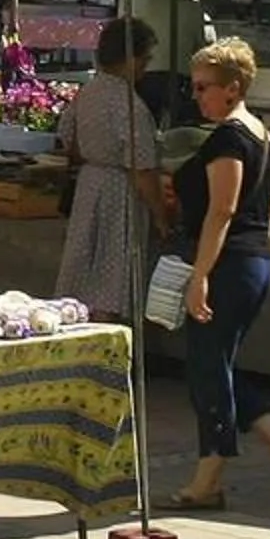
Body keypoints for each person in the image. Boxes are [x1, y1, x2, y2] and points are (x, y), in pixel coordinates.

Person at [161, 38, 270, 507]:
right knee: (216, 364)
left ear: (233, 88)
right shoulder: (262, 135)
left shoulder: (230, 138)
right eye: (194, 86)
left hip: (230, 263)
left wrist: (201, 275)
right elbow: (268, 209)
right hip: (254, 260)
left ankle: (209, 479)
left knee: (207, 369)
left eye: (204, 87)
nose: (197, 96)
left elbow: (222, 211)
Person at [56, 18, 165, 322]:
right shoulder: (129, 105)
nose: (146, 67)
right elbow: (142, 169)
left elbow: (68, 138)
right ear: (130, 59)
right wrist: (160, 215)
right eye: (144, 59)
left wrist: (96, 154)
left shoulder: (88, 93)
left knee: (84, 265)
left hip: (89, 186)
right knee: (113, 269)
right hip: (119, 191)